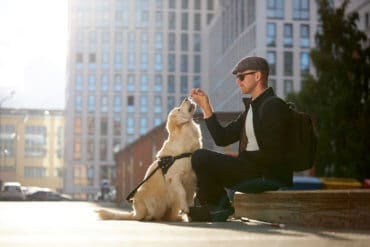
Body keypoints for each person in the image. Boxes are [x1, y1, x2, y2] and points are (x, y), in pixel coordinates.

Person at [189, 56, 293, 222]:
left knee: (200, 157)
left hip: (267, 176)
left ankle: (217, 207)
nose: (238, 82)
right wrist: (206, 107)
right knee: (199, 156)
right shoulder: (251, 109)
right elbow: (222, 138)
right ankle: (212, 205)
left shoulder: (274, 105)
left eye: (241, 76)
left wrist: (237, 163)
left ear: (258, 76)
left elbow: (276, 151)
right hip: (251, 170)